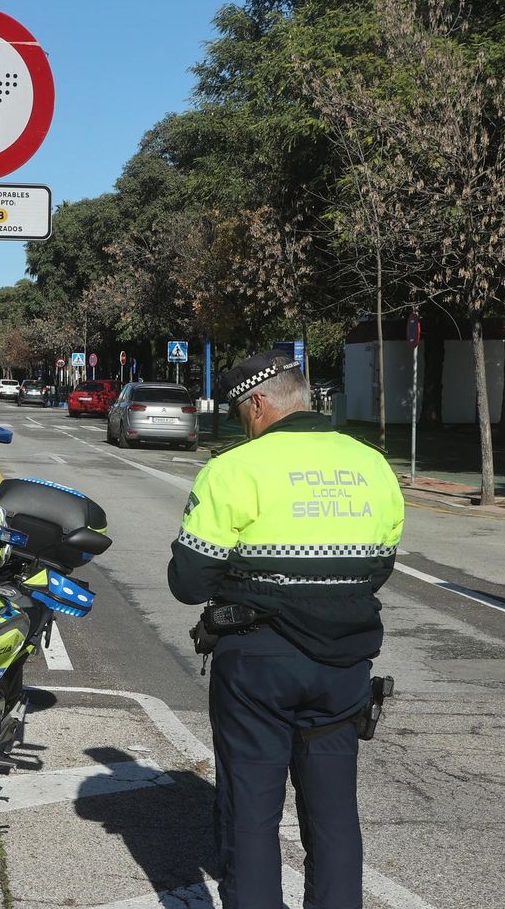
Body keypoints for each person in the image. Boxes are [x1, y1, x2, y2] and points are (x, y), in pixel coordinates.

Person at [167, 351, 403, 909]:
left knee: (251, 814)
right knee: (334, 815)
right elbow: (379, 567)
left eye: (240, 410)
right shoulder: (372, 464)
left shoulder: (234, 468)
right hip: (344, 667)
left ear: (259, 402)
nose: (241, 422)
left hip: (257, 665)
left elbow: (190, 580)